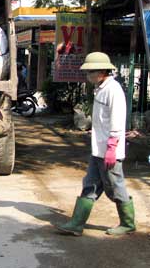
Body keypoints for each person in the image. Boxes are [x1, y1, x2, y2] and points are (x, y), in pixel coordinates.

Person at [56, 52, 135, 236]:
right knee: (90, 184)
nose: (88, 75)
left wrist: (112, 147)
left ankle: (128, 223)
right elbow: (102, 119)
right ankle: (76, 224)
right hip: (98, 149)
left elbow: (116, 121)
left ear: (102, 71)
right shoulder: (101, 88)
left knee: (115, 187)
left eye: (91, 71)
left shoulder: (113, 90)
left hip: (109, 151)